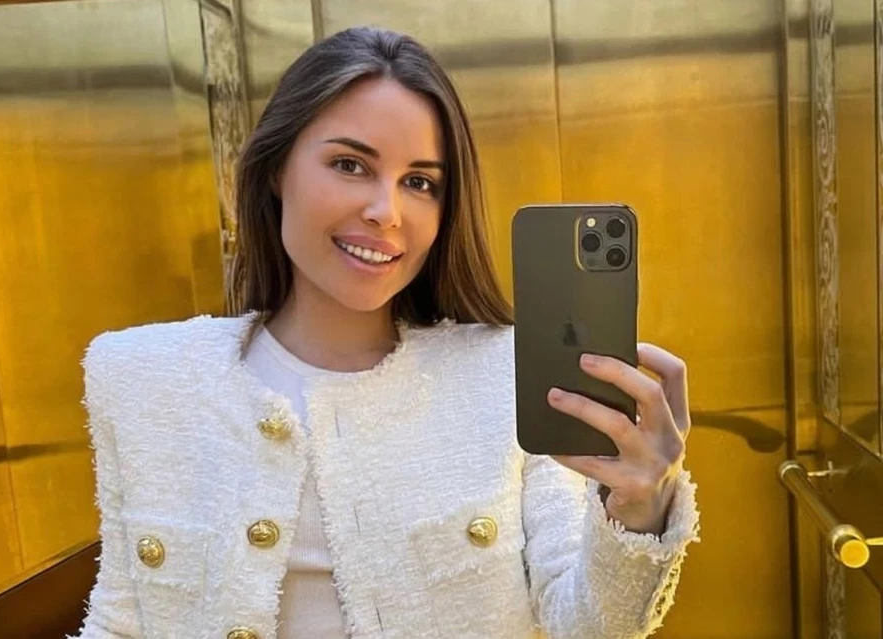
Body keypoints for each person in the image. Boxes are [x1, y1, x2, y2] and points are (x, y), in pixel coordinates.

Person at [71, 26, 699, 639]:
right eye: (349, 164)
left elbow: (586, 625)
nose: (386, 212)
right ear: (275, 169)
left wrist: (641, 509)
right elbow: (122, 618)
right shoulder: (142, 378)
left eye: (419, 182)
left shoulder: (504, 374)